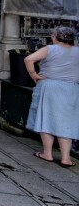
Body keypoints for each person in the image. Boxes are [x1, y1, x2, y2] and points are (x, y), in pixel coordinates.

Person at [25, 26, 79, 168]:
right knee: (67, 121)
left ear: (55, 37)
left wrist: (34, 75)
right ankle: (66, 158)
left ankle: (47, 153)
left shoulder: (50, 49)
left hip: (49, 87)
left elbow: (28, 59)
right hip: (71, 89)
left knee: (46, 118)